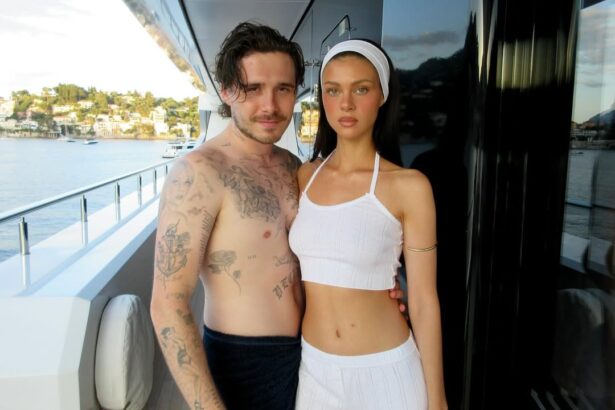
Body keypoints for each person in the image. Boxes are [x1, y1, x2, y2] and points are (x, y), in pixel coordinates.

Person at [150, 23, 405, 410]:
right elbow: (168, 304)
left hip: (310, 354)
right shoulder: (199, 173)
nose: (269, 106)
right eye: (253, 89)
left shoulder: (294, 168)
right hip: (243, 364)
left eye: (283, 89)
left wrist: (378, 291)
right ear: (226, 90)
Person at [289, 39, 448, 409]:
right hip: (315, 371)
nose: (346, 103)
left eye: (360, 89)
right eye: (333, 90)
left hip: (386, 371)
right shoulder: (304, 177)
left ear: (381, 96)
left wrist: (438, 400)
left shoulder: (409, 187)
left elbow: (424, 300)